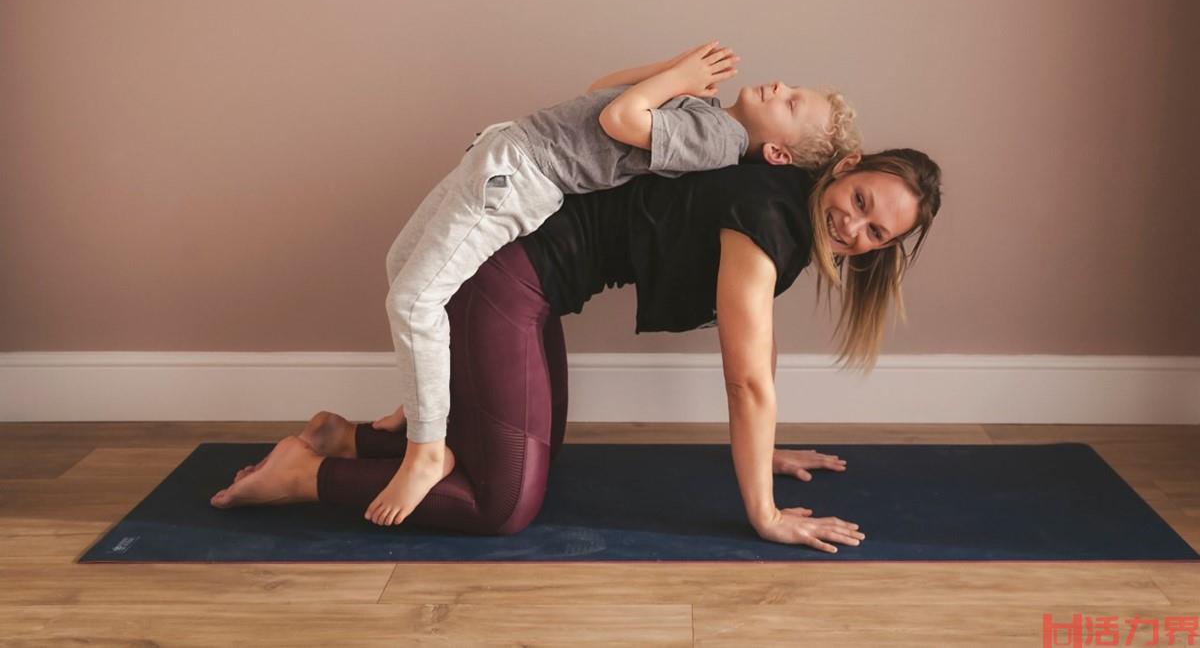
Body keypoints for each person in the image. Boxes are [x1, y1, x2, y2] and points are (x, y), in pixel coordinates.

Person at [211, 146, 942, 554]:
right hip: (500, 274)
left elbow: (761, 351)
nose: (856, 229)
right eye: (862, 202)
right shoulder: (772, 220)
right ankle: (307, 476)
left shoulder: (788, 199)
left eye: (877, 234)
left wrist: (768, 448)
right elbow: (747, 380)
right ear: (847, 167)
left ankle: (352, 441)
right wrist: (765, 512)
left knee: (526, 463)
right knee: (500, 505)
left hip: (525, 284)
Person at [367, 43, 863, 527]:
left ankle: (426, 451)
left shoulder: (718, 141)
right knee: (402, 265)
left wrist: (677, 74)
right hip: (506, 151)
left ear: (777, 151)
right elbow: (601, 93)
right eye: (793, 87)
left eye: (791, 102)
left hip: (518, 175)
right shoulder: (710, 114)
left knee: (415, 301)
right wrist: (675, 71)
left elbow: (618, 120)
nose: (781, 87)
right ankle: (420, 400)